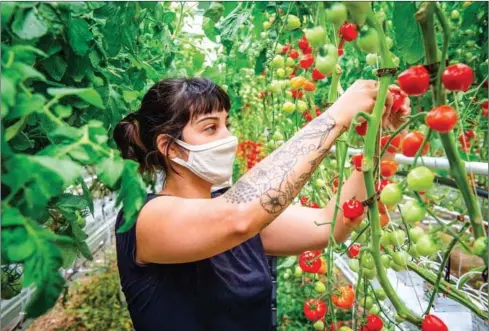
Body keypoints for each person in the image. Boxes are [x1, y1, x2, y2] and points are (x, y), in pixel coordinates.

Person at [112, 77, 410, 331]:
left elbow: (328, 224)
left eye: (226, 123)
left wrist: (384, 142)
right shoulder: (144, 218)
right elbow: (239, 217)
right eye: (210, 128)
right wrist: (336, 117)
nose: (229, 137)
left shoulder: (234, 212)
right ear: (170, 147)